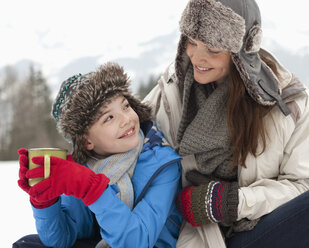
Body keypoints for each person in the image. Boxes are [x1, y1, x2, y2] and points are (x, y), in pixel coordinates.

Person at [143, 0, 309, 247]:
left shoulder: (289, 102)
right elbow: (119, 139)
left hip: (259, 227)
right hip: (198, 238)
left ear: (241, 53)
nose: (197, 57)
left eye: (213, 49)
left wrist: (233, 202)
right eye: (191, 42)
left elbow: (305, 185)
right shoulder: (171, 94)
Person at [14, 62, 183, 248]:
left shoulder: (162, 165)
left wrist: (92, 189)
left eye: (126, 106)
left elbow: (136, 242)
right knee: (27, 245)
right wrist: (45, 200)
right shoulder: (84, 167)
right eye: (108, 118)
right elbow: (60, 240)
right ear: (87, 142)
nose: (126, 119)